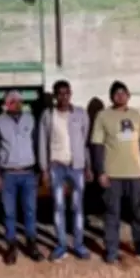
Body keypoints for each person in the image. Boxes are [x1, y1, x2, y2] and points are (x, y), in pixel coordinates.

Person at [91, 80, 140, 263]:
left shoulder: (136, 115)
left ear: (128, 95)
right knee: (112, 214)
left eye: (123, 93)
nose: (120, 96)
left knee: (138, 212)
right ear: (111, 97)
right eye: (116, 93)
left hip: (136, 174)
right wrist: (100, 172)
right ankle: (111, 250)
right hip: (113, 175)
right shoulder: (103, 116)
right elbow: (97, 146)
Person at [38, 80, 92, 261]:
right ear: (55, 96)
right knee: (58, 206)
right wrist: (44, 169)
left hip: (76, 167)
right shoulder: (48, 115)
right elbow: (42, 142)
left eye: (66, 93)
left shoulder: (81, 114)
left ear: (71, 94)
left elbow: (84, 142)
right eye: (60, 93)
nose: (64, 97)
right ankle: (61, 245)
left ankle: (79, 245)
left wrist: (88, 166)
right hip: (56, 166)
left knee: (77, 207)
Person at [0, 90, 44, 264]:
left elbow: (37, 145)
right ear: (6, 104)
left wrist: (39, 170)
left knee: (30, 211)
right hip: (8, 175)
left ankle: (32, 244)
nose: (16, 103)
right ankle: (11, 246)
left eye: (19, 100)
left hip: (28, 173)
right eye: (12, 101)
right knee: (9, 213)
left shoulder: (30, 119)